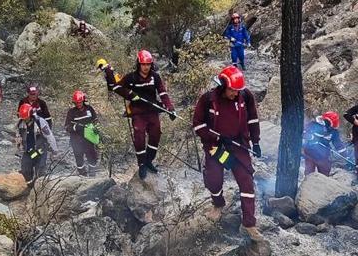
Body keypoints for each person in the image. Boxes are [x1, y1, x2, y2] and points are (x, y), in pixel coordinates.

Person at [192, 65, 263, 242]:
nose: (235, 94)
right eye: (232, 90)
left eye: (238, 90)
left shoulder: (245, 97)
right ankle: (218, 204)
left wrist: (256, 142)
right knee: (214, 179)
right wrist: (215, 137)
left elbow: (253, 119)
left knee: (246, 182)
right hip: (216, 148)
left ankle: (249, 224)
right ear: (223, 85)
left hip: (239, 146)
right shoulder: (208, 99)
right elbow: (198, 124)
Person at [110, 50, 176, 179]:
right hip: (138, 113)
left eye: (148, 64)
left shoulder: (155, 77)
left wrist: (170, 108)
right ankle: (141, 164)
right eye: (143, 64)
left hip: (152, 111)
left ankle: (149, 161)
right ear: (138, 64)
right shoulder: (131, 77)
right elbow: (117, 88)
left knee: (155, 135)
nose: (146, 67)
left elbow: (162, 93)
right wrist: (130, 95)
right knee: (139, 137)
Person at [16, 103, 58, 187]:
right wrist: (18, 149)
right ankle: (29, 188)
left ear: (31, 115)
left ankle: (40, 189)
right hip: (28, 151)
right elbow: (18, 137)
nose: (25, 120)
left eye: (26, 118)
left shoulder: (40, 122)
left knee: (40, 171)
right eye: (23, 118)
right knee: (25, 171)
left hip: (40, 150)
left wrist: (55, 150)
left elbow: (49, 135)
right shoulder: (20, 123)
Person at [64, 91, 100, 176]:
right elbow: (67, 127)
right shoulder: (71, 112)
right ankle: (82, 176)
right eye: (76, 103)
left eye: (80, 102)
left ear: (83, 101)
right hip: (76, 140)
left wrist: (97, 128)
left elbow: (95, 120)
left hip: (89, 138)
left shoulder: (89, 109)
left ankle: (92, 176)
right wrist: (76, 127)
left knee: (92, 157)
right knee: (79, 159)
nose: (78, 104)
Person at [302, 111, 348, 176]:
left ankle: (323, 184)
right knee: (309, 172)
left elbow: (338, 144)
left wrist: (345, 154)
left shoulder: (333, 131)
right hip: (310, 153)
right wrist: (309, 136)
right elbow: (302, 132)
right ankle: (308, 184)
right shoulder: (313, 124)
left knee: (324, 173)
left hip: (324, 155)